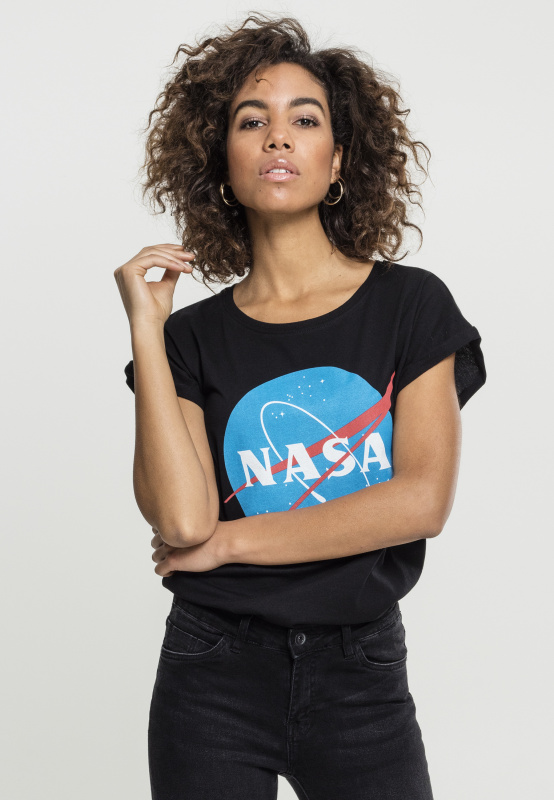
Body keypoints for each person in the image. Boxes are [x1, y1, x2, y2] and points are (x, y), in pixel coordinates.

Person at [114, 13, 486, 800]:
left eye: (305, 120)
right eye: (252, 121)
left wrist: (230, 544)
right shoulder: (189, 339)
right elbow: (181, 521)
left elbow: (420, 501)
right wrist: (147, 330)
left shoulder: (411, 307)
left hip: (361, 673)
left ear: (339, 158)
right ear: (222, 163)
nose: (278, 136)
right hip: (210, 672)